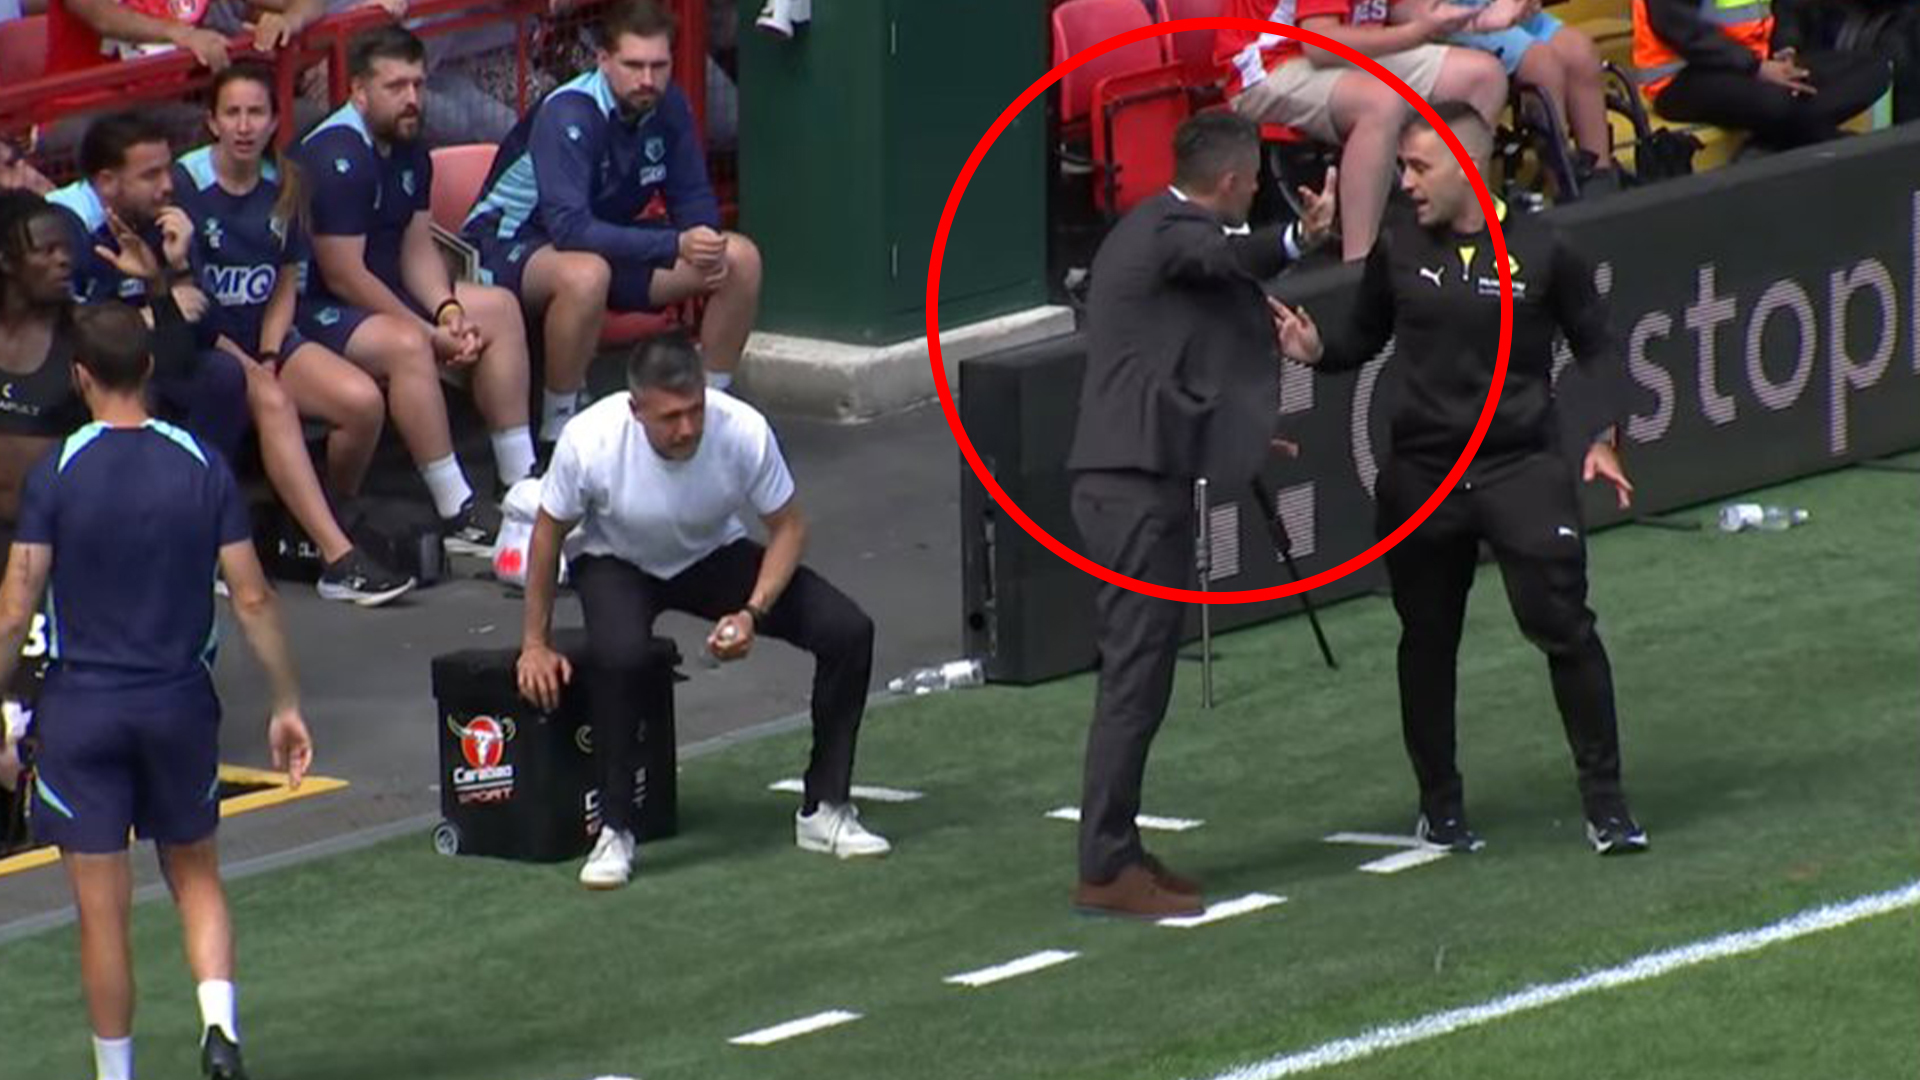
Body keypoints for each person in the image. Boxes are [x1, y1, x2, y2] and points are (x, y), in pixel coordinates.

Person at [1271, 101, 1649, 856]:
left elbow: (1599, 349)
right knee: (1427, 638)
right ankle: (1440, 807)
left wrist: (1602, 435)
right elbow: (1361, 335)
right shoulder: (1398, 245)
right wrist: (1317, 352)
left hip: (1521, 466)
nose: (1406, 183)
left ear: (1468, 166)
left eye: (1419, 167)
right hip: (1424, 475)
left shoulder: (1545, 249)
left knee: (1564, 627)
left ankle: (1606, 806)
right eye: (1403, 168)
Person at [0, 299, 312, 1080]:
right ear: (147, 367)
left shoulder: (56, 472)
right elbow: (251, 597)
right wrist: (284, 702)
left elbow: (15, 606)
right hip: (179, 702)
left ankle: (117, 1074)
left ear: (79, 376)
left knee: (101, 916)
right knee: (196, 872)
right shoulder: (201, 462)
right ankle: (219, 1025)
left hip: (82, 711)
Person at [1067, 112, 1334, 919]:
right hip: (1132, 489)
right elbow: (1224, 258)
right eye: (1253, 184)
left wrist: (1244, 436)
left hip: (1138, 481)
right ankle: (1105, 866)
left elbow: (1173, 365)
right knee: (1135, 680)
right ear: (1231, 181)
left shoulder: (1151, 233)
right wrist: (1299, 239)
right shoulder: (1177, 235)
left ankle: (1118, 850)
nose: (1255, 195)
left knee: (1143, 678)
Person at [516, 332, 886, 890]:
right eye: (670, 417)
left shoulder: (742, 431)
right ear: (636, 410)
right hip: (617, 559)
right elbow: (547, 536)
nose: (687, 428)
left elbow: (789, 527)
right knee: (621, 659)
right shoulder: (589, 441)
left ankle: (826, 807)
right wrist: (534, 644)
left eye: (695, 410)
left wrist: (752, 613)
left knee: (848, 631)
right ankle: (616, 828)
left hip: (712, 553)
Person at [174, 64, 416, 605]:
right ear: (212, 121)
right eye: (232, 113)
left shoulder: (286, 181)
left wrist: (268, 351)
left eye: (255, 113)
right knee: (274, 401)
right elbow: (191, 298)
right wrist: (253, 366)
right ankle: (339, 560)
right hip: (208, 346)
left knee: (362, 403)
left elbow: (285, 280)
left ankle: (319, 518)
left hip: (266, 337)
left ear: (273, 121)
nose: (243, 126)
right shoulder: (186, 183)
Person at [464, 0, 762, 426]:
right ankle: (559, 427)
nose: (647, 80)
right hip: (507, 244)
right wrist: (676, 244)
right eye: (633, 65)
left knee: (739, 259)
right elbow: (570, 230)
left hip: (603, 241)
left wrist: (705, 242)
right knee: (586, 276)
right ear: (604, 60)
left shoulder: (669, 105)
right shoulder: (569, 112)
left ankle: (710, 411)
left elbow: (693, 196)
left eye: (659, 66)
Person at [297, 24, 536, 554]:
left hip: (379, 294)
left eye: (418, 85)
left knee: (496, 308)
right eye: (395, 86)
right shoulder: (337, 155)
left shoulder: (409, 145)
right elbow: (344, 275)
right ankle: (456, 508)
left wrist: (447, 310)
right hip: (317, 308)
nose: (412, 99)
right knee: (407, 346)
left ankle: (521, 483)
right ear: (359, 91)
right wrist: (428, 334)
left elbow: (416, 247)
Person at [1219, 0, 1507, 262]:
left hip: (1347, 46)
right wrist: (1413, 34)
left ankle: (1462, 229)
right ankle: (1359, 265)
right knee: (1381, 101)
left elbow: (1404, 10)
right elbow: (1320, 44)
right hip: (1268, 62)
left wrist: (1478, 19)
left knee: (1483, 77)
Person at [48, 112, 253, 467]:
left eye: (167, 169)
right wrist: (144, 317)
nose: (167, 184)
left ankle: (201, 485)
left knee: (220, 373)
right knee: (143, 389)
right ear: (107, 182)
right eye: (150, 175)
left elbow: (206, 327)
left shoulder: (164, 214)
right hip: (80, 370)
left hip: (146, 351)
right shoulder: (64, 226)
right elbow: (59, 328)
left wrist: (180, 266)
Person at [1634, 0, 1891, 151]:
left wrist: (1785, 49)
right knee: (1778, 102)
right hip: (1682, 77)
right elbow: (1680, 29)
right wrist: (1755, 67)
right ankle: (1835, 145)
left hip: (1754, 63)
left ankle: (1770, 144)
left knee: (1874, 70)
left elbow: (1783, 7)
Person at [1444, 0, 1621, 192]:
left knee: (1580, 50)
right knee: (1541, 64)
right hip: (1453, 17)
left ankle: (1601, 177)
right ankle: (1564, 186)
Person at [49, 0, 320, 75]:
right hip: (83, 110)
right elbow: (102, 17)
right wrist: (180, 34)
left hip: (167, 103)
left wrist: (288, 21)